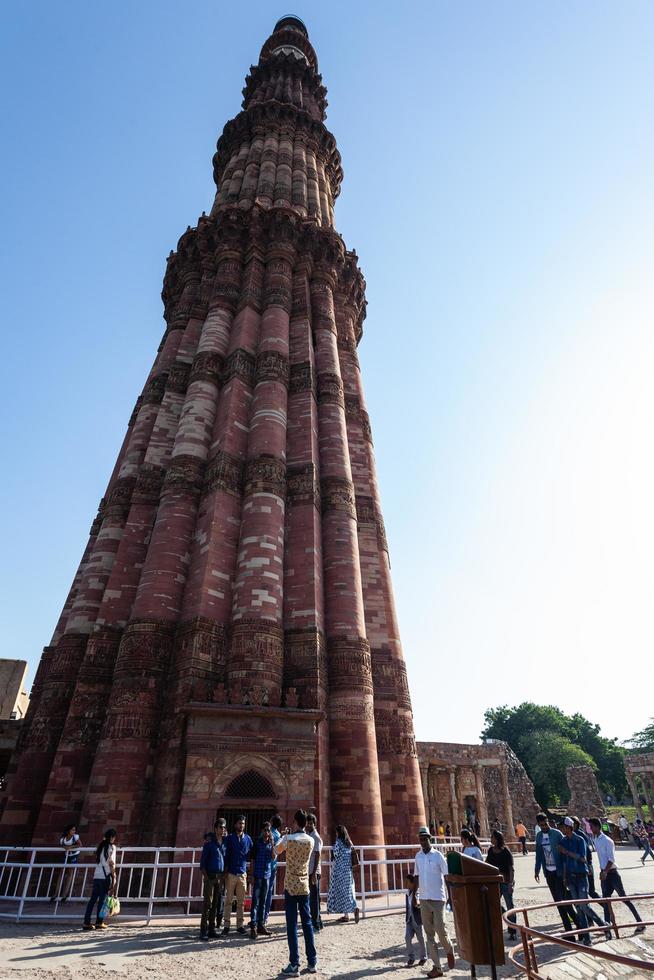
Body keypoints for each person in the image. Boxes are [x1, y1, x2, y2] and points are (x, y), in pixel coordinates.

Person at [275, 809, 317, 976]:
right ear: (305, 823)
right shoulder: (310, 840)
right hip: (304, 885)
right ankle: (312, 961)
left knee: (292, 925)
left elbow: (276, 851)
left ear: (295, 822)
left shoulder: (288, 839)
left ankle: (294, 964)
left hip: (291, 886)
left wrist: (283, 836)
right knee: (307, 923)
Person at [588, 818, 645, 934]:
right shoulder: (596, 839)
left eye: (592, 827)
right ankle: (607, 927)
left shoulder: (607, 841)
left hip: (612, 873)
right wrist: (602, 871)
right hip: (604, 873)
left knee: (624, 898)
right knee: (606, 901)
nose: (591, 829)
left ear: (597, 827)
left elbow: (611, 859)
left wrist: (605, 871)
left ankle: (640, 922)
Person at [414, 826, 456, 979]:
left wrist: (450, 897)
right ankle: (437, 967)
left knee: (441, 929)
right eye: (421, 839)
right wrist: (414, 896)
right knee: (429, 934)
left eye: (425, 839)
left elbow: (447, 877)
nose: (423, 841)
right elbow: (416, 877)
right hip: (424, 898)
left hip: (438, 898)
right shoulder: (418, 857)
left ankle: (449, 949)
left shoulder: (438, 856)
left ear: (429, 839)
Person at [534, 812, 578, 937]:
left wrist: (566, 871)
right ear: (538, 825)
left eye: (545, 823)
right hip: (549, 872)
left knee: (564, 901)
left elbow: (564, 854)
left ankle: (578, 926)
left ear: (548, 821)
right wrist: (537, 869)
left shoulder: (556, 834)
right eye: (541, 825)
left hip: (559, 872)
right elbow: (539, 854)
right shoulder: (538, 837)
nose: (544, 826)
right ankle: (569, 931)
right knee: (557, 902)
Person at [558, 816, 591, 946]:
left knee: (584, 905)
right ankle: (586, 937)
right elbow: (565, 862)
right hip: (571, 877)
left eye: (563, 827)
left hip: (581, 876)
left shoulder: (579, 840)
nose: (561, 829)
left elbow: (583, 858)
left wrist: (566, 852)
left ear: (568, 827)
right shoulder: (564, 841)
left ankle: (601, 925)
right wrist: (565, 878)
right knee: (578, 907)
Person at [222, 815, 253, 935]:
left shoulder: (248, 839)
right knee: (228, 900)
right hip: (231, 873)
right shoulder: (230, 838)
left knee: (241, 902)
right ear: (235, 825)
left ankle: (240, 925)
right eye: (239, 823)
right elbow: (225, 853)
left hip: (242, 873)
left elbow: (251, 853)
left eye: (243, 823)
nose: (241, 825)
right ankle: (226, 925)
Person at [485, 829, 516, 941]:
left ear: (497, 839)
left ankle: (512, 931)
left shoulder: (506, 851)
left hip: (506, 882)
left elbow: (511, 868)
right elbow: (487, 864)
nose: (491, 839)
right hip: (495, 883)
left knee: (510, 905)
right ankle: (504, 915)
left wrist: (511, 884)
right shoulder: (490, 851)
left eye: (492, 837)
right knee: (493, 903)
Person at [83, 828, 116, 931]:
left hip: (97, 875)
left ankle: (86, 922)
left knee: (93, 900)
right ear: (111, 837)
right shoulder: (111, 847)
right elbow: (111, 863)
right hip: (105, 876)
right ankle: (99, 922)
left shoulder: (100, 846)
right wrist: (114, 876)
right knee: (103, 900)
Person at [326, 824, 359, 924]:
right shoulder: (349, 842)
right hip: (348, 872)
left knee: (341, 894)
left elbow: (335, 854)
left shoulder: (338, 842)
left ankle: (352, 910)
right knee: (348, 892)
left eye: (336, 832)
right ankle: (347, 914)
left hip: (339, 872)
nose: (335, 834)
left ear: (339, 833)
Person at [199, 822, 225, 941]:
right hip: (210, 876)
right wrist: (205, 876)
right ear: (215, 829)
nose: (223, 829)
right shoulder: (209, 843)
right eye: (221, 827)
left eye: (224, 827)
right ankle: (203, 930)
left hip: (219, 877)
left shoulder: (223, 844)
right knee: (207, 904)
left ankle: (211, 929)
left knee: (215, 904)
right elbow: (203, 861)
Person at [250, 822, 274, 939]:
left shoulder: (270, 844)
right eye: (265, 830)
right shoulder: (257, 843)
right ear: (261, 831)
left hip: (267, 875)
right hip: (258, 874)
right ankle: (253, 925)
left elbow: (274, 857)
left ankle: (261, 924)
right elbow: (252, 860)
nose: (267, 832)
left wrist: (273, 843)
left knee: (263, 901)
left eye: (268, 830)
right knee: (255, 901)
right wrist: (251, 874)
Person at [50, 823, 82, 902]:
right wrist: (66, 847)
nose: (74, 831)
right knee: (62, 872)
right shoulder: (63, 839)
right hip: (66, 855)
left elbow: (80, 844)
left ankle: (64, 894)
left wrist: (70, 847)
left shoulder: (75, 837)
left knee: (69, 873)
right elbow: (62, 846)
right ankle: (56, 893)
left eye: (74, 830)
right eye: (72, 830)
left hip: (73, 855)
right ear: (68, 830)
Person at [263, 813, 283, 925]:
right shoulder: (279, 836)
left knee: (262, 892)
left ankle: (259, 916)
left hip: (265, 866)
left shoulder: (268, 834)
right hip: (273, 866)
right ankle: (266, 916)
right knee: (269, 891)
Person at [404, 872, 426, 967]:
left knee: (421, 939)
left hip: (417, 920)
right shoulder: (407, 893)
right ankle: (411, 957)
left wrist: (417, 905)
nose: (406, 884)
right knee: (407, 937)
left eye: (408, 882)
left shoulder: (418, 893)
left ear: (413, 883)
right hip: (409, 920)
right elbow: (407, 907)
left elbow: (421, 905)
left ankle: (423, 957)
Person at [306, 813, 323, 932]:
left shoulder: (315, 837)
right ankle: (318, 922)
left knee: (314, 898)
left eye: (311, 823)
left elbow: (318, 855)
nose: (308, 825)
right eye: (307, 822)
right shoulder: (310, 835)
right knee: (314, 898)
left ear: (314, 824)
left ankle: (315, 923)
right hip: (311, 870)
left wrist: (314, 874)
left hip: (313, 871)